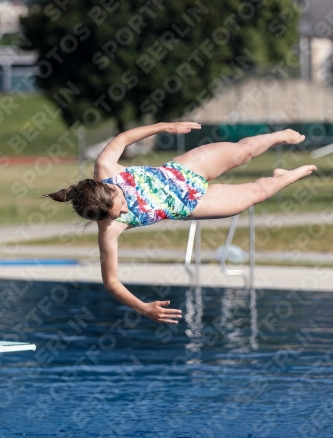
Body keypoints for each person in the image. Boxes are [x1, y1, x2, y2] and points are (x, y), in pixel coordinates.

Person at [44, 122, 317, 324]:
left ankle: (278, 136)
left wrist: (165, 126)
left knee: (244, 151)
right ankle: (285, 176)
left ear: (108, 187)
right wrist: (143, 307)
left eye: (120, 202)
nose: (125, 210)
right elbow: (111, 282)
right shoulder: (110, 231)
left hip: (186, 169)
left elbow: (124, 137)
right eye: (118, 214)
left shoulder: (106, 166)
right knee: (255, 195)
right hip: (194, 203)